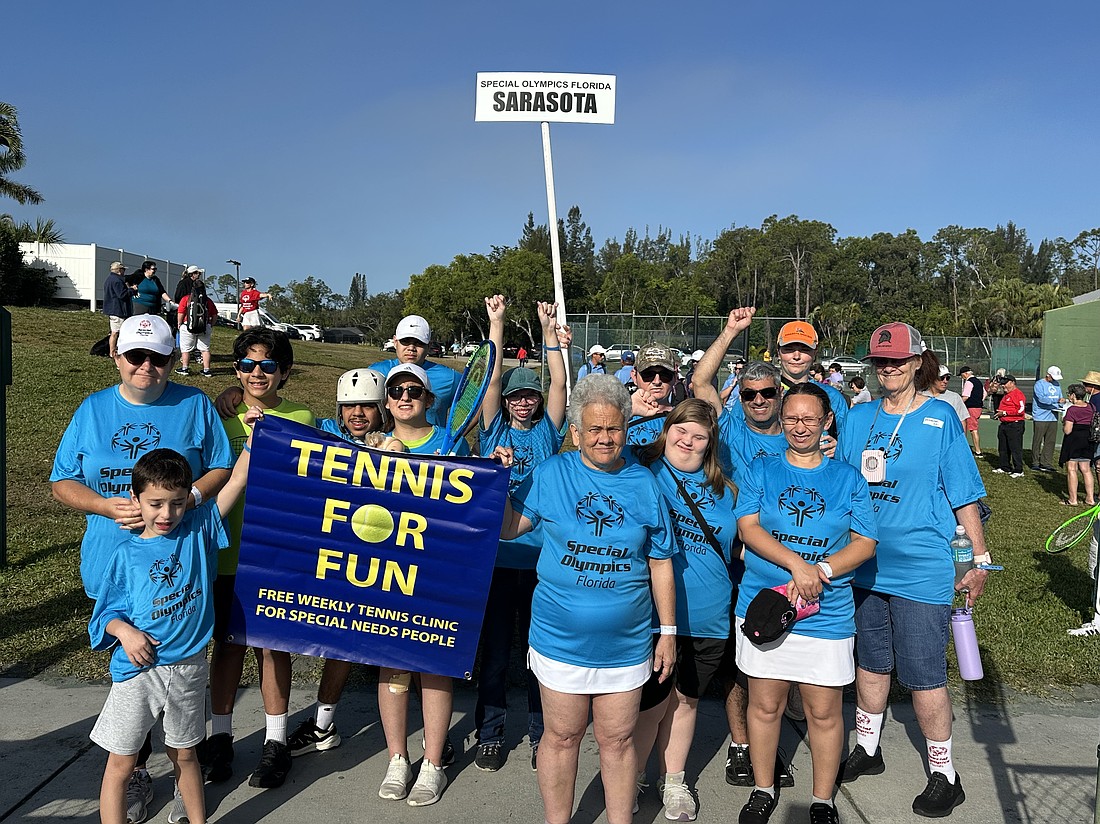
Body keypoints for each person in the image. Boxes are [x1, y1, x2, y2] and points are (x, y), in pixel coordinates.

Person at [50, 314, 233, 822]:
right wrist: (106, 506)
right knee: (132, 678)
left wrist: (193, 496)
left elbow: (222, 463)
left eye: (158, 357)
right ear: (116, 355)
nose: (146, 367)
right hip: (115, 564)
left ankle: (181, 775)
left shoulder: (194, 405)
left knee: (176, 677)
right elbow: (62, 480)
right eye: (136, 356)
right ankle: (134, 776)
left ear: (174, 359)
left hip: (178, 564)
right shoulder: (92, 410)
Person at [499, 375, 676, 824]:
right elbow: (507, 527)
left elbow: (659, 562)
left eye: (613, 428)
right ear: (575, 431)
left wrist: (668, 632)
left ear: (626, 427)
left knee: (618, 741)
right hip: (559, 640)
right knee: (561, 737)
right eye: (593, 429)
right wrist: (497, 482)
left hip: (626, 644)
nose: (604, 438)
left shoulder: (645, 483)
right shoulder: (551, 474)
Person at [838, 322, 991, 819]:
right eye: (881, 361)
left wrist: (978, 560)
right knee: (871, 661)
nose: (890, 369)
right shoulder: (858, 418)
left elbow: (964, 492)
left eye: (899, 361)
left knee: (924, 673)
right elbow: (840, 483)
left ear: (917, 361)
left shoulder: (940, 417)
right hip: (863, 566)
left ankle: (946, 774)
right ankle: (868, 747)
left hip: (923, 567)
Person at [734, 383, 877, 824]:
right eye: (791, 418)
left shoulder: (848, 477)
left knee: (824, 711)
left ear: (826, 422)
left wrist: (823, 571)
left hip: (826, 613)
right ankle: (762, 789)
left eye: (809, 419)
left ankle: (821, 800)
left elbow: (865, 541)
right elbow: (748, 528)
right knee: (764, 705)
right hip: (765, 606)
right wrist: (798, 565)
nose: (799, 427)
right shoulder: (762, 469)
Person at [89, 440, 252, 824]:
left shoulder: (199, 531)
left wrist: (253, 435)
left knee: (185, 754)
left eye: (177, 503)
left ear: (188, 498)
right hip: (140, 673)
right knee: (121, 763)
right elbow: (104, 616)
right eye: (157, 503)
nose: (167, 513)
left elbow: (238, 478)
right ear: (137, 500)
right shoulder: (125, 556)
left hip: (190, 668)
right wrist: (125, 633)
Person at [206, 329, 316, 791]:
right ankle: (220, 738)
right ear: (235, 371)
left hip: (275, 552)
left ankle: (275, 742)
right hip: (226, 551)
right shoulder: (217, 415)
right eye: (248, 365)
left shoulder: (300, 416)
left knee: (273, 646)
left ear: (284, 372)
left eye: (268, 365)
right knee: (227, 647)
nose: (257, 373)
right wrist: (225, 405)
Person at [632, 400, 740, 822]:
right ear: (666, 428)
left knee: (686, 701)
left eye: (699, 434)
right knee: (650, 703)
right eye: (681, 429)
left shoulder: (725, 488)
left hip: (710, 613)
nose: (688, 440)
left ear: (710, 441)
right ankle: (635, 775)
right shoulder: (645, 473)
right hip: (657, 614)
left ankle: (673, 780)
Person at [473, 297, 568, 773]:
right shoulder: (491, 432)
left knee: (538, 657)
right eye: (517, 395)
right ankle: (489, 733)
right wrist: (496, 323)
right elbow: (490, 376)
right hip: (494, 561)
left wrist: (549, 332)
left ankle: (540, 734)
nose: (524, 400)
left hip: (539, 562)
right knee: (493, 655)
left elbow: (560, 386)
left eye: (530, 394)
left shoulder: (550, 433)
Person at [284, 368, 394, 758]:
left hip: (383, 563)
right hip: (335, 559)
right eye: (350, 406)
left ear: (382, 409)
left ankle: (431, 736)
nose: (358, 413)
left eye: (367, 405)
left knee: (382, 647)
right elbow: (282, 434)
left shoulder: (393, 443)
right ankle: (321, 725)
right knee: (338, 639)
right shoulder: (324, 431)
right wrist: (233, 397)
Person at [373, 362, 468, 807]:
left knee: (434, 665)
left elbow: (472, 503)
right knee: (392, 666)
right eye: (396, 390)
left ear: (429, 400)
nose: (405, 396)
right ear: (386, 400)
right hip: (383, 570)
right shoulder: (369, 444)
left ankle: (432, 763)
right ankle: (398, 758)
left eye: (415, 390)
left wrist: (495, 466)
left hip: (435, 571)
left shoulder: (453, 441)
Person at [369, 314, 461, 428]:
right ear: (395, 341)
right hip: (384, 444)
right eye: (405, 341)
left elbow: (481, 399)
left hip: (431, 445)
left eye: (419, 342)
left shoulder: (449, 377)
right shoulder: (376, 372)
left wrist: (457, 435)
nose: (411, 348)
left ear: (429, 346)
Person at [626, 342, 682, 447]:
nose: (657, 381)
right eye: (648, 374)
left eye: (665, 375)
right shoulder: (619, 417)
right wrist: (627, 412)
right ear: (634, 376)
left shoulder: (683, 418)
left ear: (675, 377)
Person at [1059, 384, 1095, 507]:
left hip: (1074, 441)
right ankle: (1090, 498)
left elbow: (1068, 430)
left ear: (1074, 395)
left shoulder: (1072, 409)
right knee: (1086, 469)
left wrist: (1063, 423)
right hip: (1088, 440)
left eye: (1069, 394)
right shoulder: (1091, 407)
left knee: (1072, 469)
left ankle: (1073, 499)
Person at [176, 279, 218, 377]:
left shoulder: (186, 298)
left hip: (188, 326)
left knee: (186, 349)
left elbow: (181, 312)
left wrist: (179, 323)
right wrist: (210, 324)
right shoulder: (208, 300)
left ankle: (185, 368)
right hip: (204, 327)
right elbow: (215, 314)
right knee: (205, 349)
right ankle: (206, 370)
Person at [992, 374, 1026, 477]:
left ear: (1012, 383)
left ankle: (1018, 470)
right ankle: (1004, 466)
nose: (1003, 386)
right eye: (1002, 384)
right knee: (1003, 447)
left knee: (1015, 448)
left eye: (1005, 384)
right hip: (1004, 424)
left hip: (1015, 425)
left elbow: (1020, 410)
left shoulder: (1018, 394)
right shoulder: (1006, 395)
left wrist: (1006, 413)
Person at [1031, 366, 1064, 472]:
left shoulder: (1057, 384)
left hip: (1053, 416)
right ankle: (1035, 462)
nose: (1054, 380)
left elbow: (1060, 396)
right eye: (1053, 377)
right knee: (1037, 440)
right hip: (1040, 416)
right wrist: (1056, 402)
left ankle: (1046, 462)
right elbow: (1041, 399)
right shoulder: (1039, 384)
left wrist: (1062, 401)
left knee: (1050, 441)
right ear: (1048, 375)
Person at [103, 261, 133, 359]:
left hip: (112, 309)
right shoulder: (117, 281)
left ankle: (113, 352)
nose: (124, 272)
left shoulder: (109, 279)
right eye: (123, 269)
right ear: (119, 270)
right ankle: (114, 352)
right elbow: (122, 295)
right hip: (118, 310)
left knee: (114, 332)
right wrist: (132, 290)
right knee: (116, 332)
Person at [957, 366, 985, 455]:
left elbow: (966, 396)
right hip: (978, 407)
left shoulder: (969, 382)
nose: (962, 377)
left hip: (972, 408)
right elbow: (984, 394)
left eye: (962, 375)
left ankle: (978, 451)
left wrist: (957, 404)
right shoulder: (978, 382)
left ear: (965, 373)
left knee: (973, 429)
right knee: (972, 428)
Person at [170, 266, 202, 338]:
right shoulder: (183, 283)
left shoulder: (197, 284)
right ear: (192, 274)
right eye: (197, 273)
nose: (199, 275)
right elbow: (178, 297)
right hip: (184, 310)